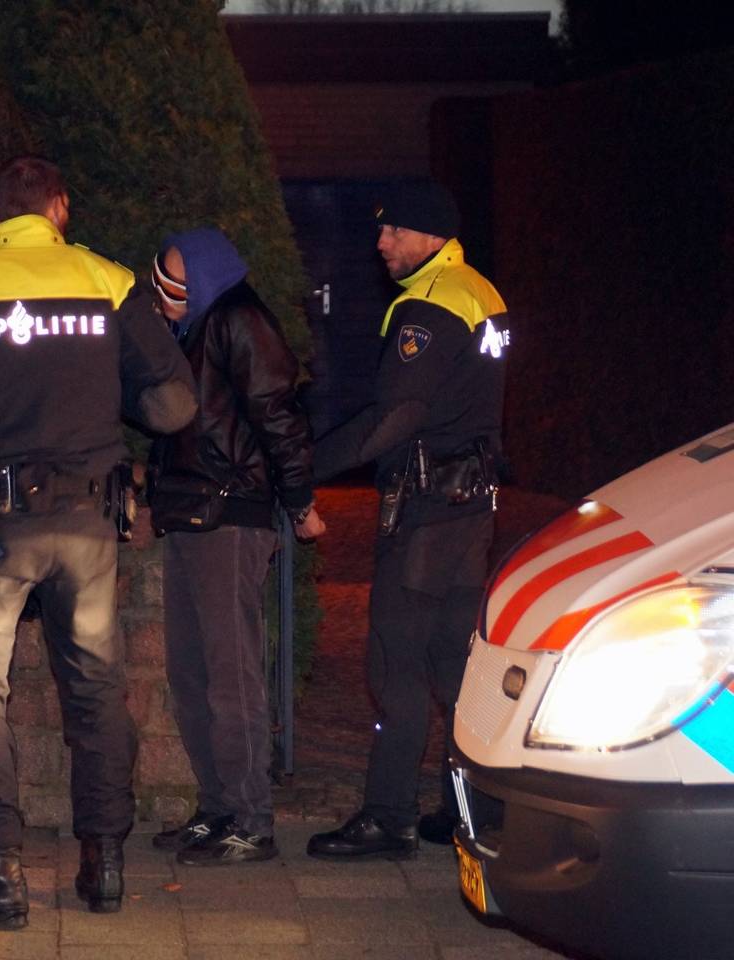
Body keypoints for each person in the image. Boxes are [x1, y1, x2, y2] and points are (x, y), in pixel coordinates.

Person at [0, 156, 197, 928]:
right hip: (91, 525)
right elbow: (171, 408)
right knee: (95, 689)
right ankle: (105, 863)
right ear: (59, 208)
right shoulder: (109, 281)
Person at [306, 182, 508, 860]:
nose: (381, 244)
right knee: (453, 666)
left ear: (428, 235)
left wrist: (305, 466)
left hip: (425, 514)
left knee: (395, 662)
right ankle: (465, 810)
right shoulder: (482, 291)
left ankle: (388, 816)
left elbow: (394, 417)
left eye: (393, 232)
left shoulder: (426, 305)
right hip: (472, 508)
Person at [147, 228, 324, 866]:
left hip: (229, 513)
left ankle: (251, 820)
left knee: (232, 675)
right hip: (192, 512)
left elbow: (278, 413)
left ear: (205, 277)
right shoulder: (194, 329)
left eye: (175, 284)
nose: (163, 295)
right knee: (191, 672)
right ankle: (219, 806)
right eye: (161, 281)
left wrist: (299, 502)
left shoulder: (239, 320)